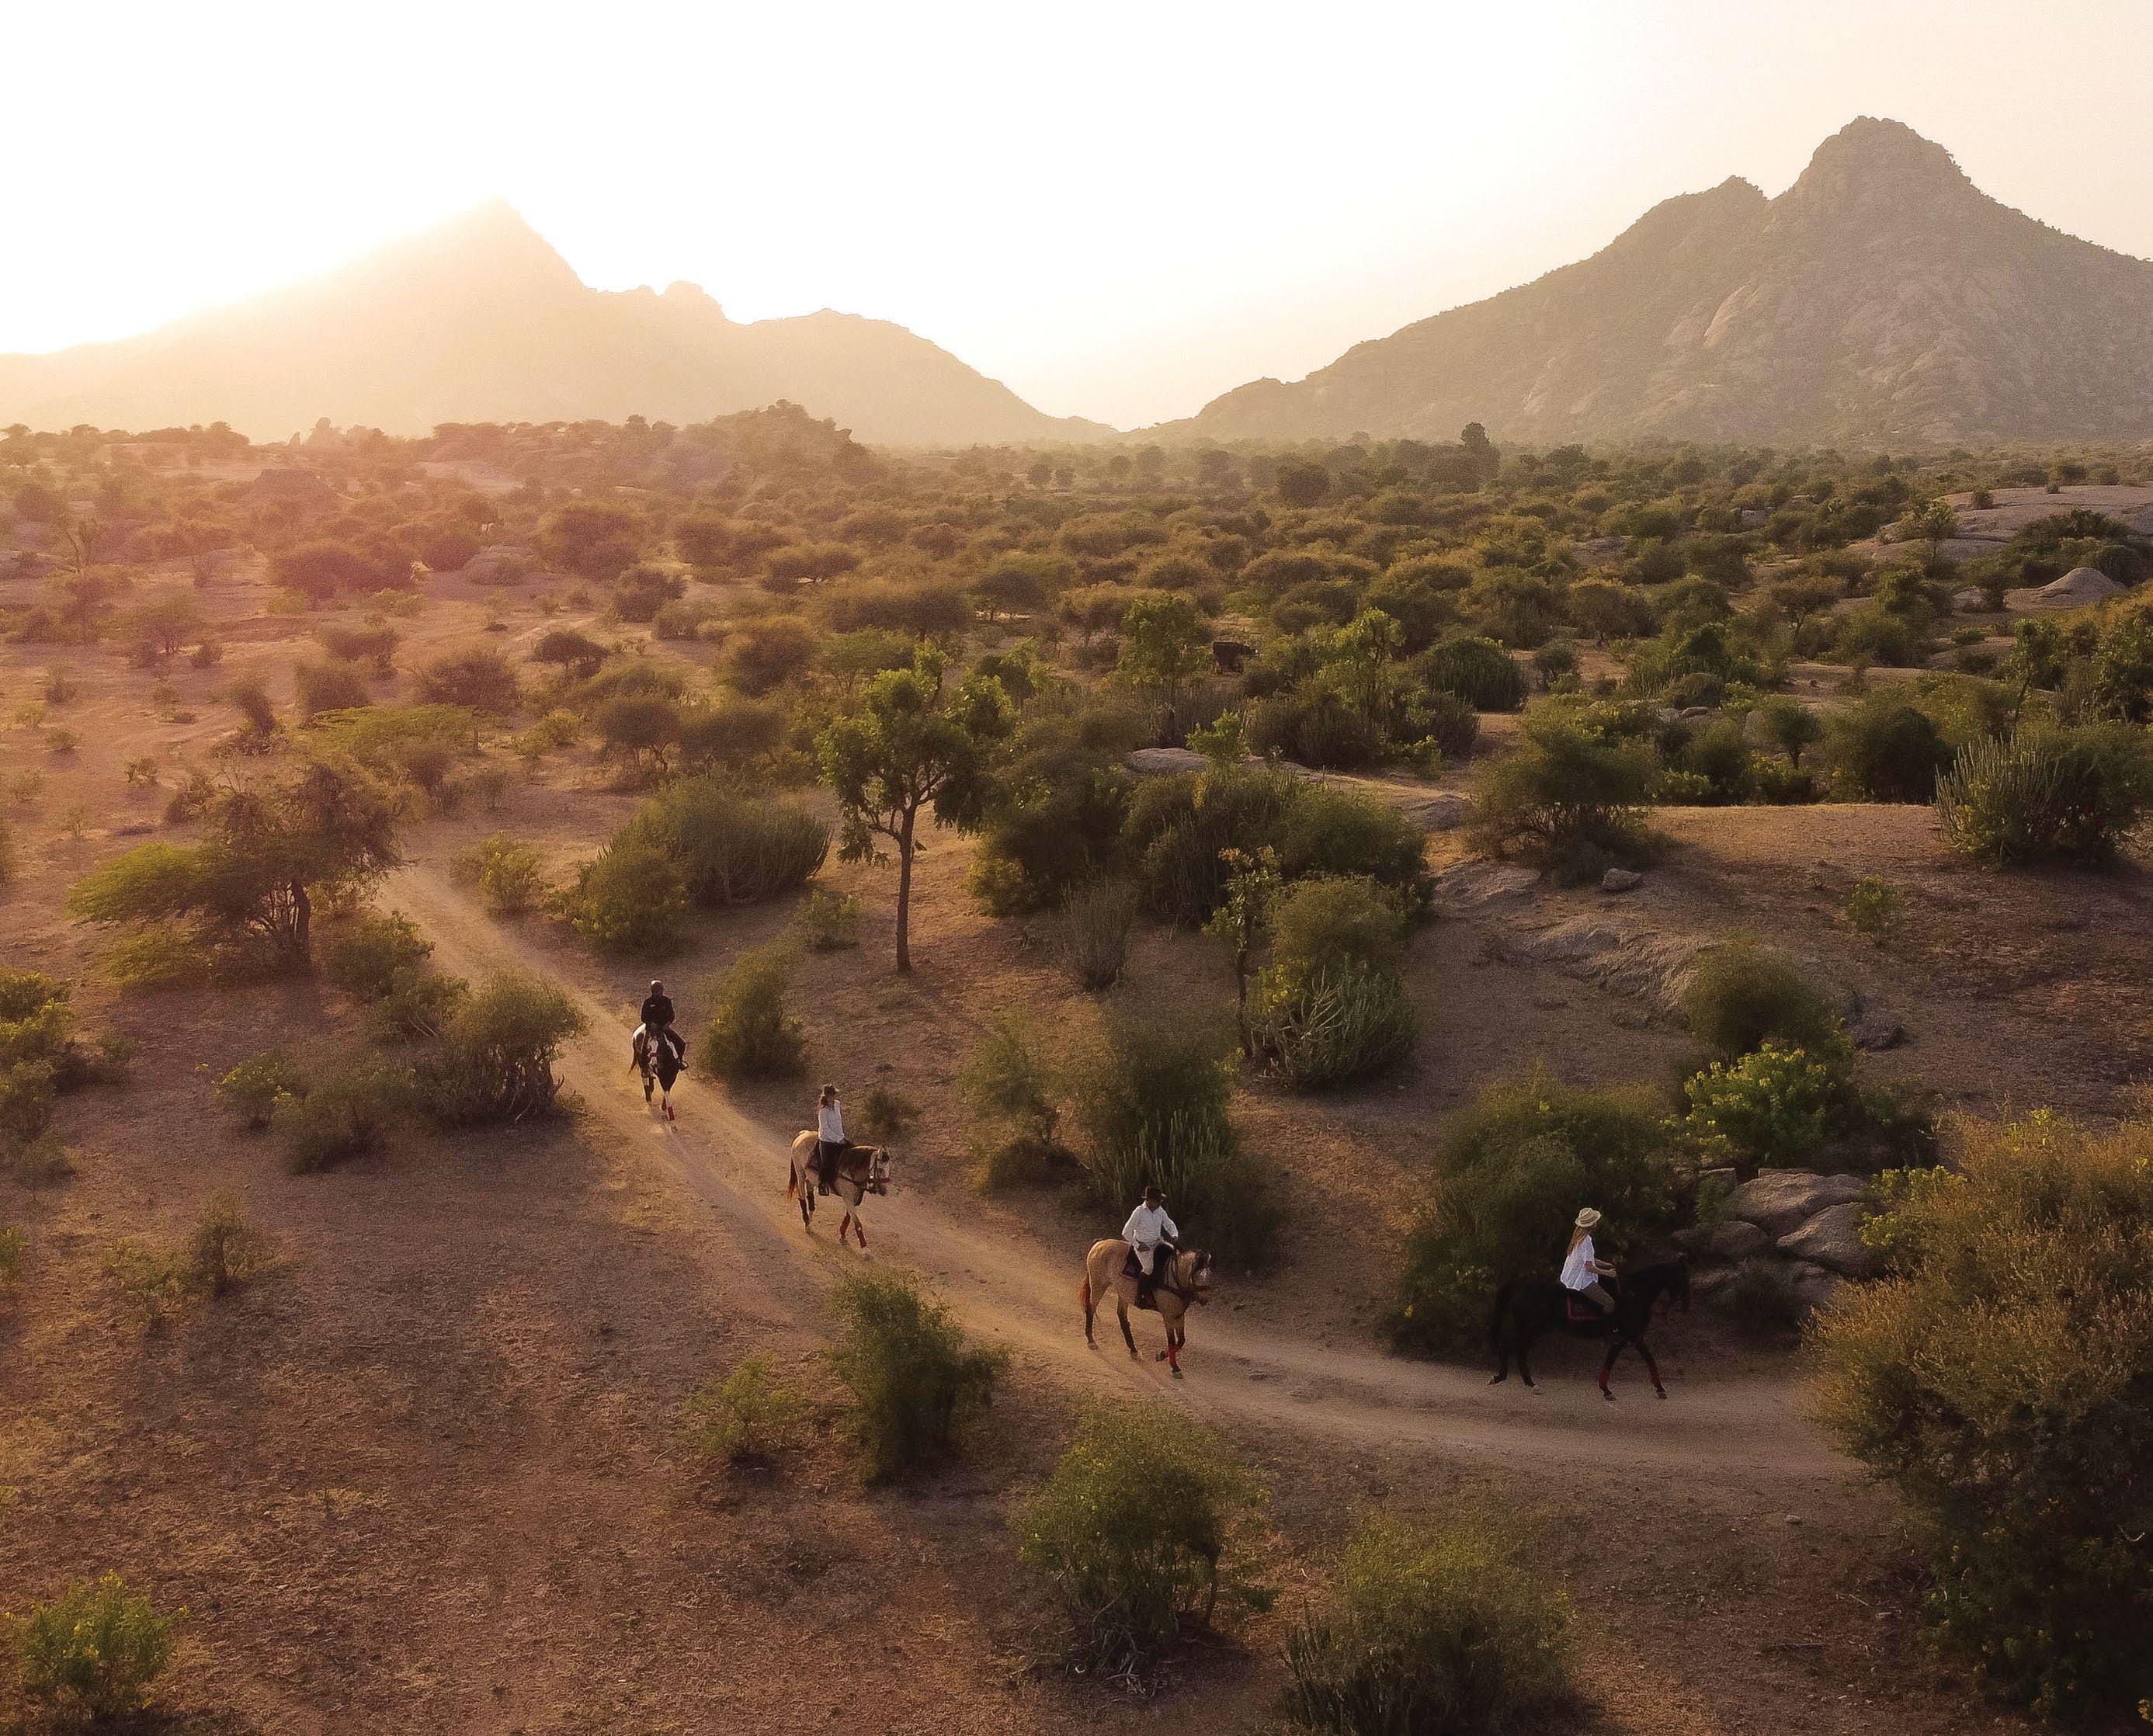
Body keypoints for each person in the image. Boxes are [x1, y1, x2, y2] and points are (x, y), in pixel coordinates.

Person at [1121, 1186, 1179, 1307]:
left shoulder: (1160, 1210)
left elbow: (1169, 1224)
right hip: (1144, 1246)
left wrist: (1174, 1235)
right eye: (1158, 1201)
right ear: (1150, 1201)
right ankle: (1140, 1296)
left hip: (1158, 1242)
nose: (1160, 1203)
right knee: (1148, 1268)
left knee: (1176, 1255)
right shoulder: (1139, 1212)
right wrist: (1137, 1245)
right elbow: (1126, 1232)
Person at [1561, 1207, 1618, 1314]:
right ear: (1593, 1224)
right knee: (1610, 1303)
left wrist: (1607, 1264)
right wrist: (1608, 1273)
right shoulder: (1586, 1242)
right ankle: (1606, 1323)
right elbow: (1589, 1267)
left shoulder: (1578, 1237)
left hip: (1569, 1276)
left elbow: (1589, 1259)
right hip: (1580, 1280)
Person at [813, 1084, 849, 1196]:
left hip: (840, 1137)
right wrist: (838, 1139)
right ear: (826, 1096)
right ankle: (822, 1184)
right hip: (826, 1141)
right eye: (830, 1096)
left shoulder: (837, 1104)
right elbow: (825, 1129)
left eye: (833, 1095)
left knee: (852, 1151)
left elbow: (839, 1122)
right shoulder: (823, 1111)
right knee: (827, 1163)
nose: (832, 1097)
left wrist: (841, 1136)